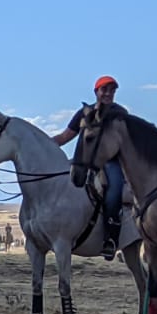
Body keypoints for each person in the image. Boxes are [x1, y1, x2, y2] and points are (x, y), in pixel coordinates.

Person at [52, 76, 124, 258]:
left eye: (112, 90)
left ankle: (111, 239)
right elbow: (65, 136)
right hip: (83, 160)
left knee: (114, 190)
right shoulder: (84, 113)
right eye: (104, 90)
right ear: (96, 92)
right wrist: (42, 145)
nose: (108, 93)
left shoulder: (119, 113)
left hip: (110, 162)